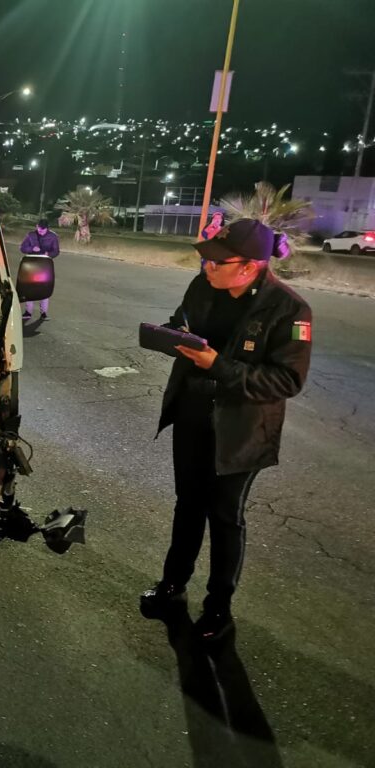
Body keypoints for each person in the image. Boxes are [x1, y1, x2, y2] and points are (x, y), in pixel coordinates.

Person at [139, 218, 312, 642]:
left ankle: (219, 609)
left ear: (250, 266)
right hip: (193, 415)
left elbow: (286, 381)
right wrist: (170, 336)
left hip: (241, 429)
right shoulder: (203, 288)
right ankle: (172, 586)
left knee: (224, 517)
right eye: (206, 261)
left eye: (219, 262)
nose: (208, 268)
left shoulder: (289, 309)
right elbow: (179, 321)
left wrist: (217, 364)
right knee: (187, 505)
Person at [19, 218, 60, 321]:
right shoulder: (31, 235)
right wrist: (31, 249)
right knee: (29, 287)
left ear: (47, 228)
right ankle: (28, 312)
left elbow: (56, 251)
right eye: (38, 228)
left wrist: (49, 254)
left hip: (45, 264)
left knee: (44, 288)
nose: (40, 231)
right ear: (36, 226)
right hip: (31, 264)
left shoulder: (53, 236)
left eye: (43, 229)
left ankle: (44, 313)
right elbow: (22, 248)